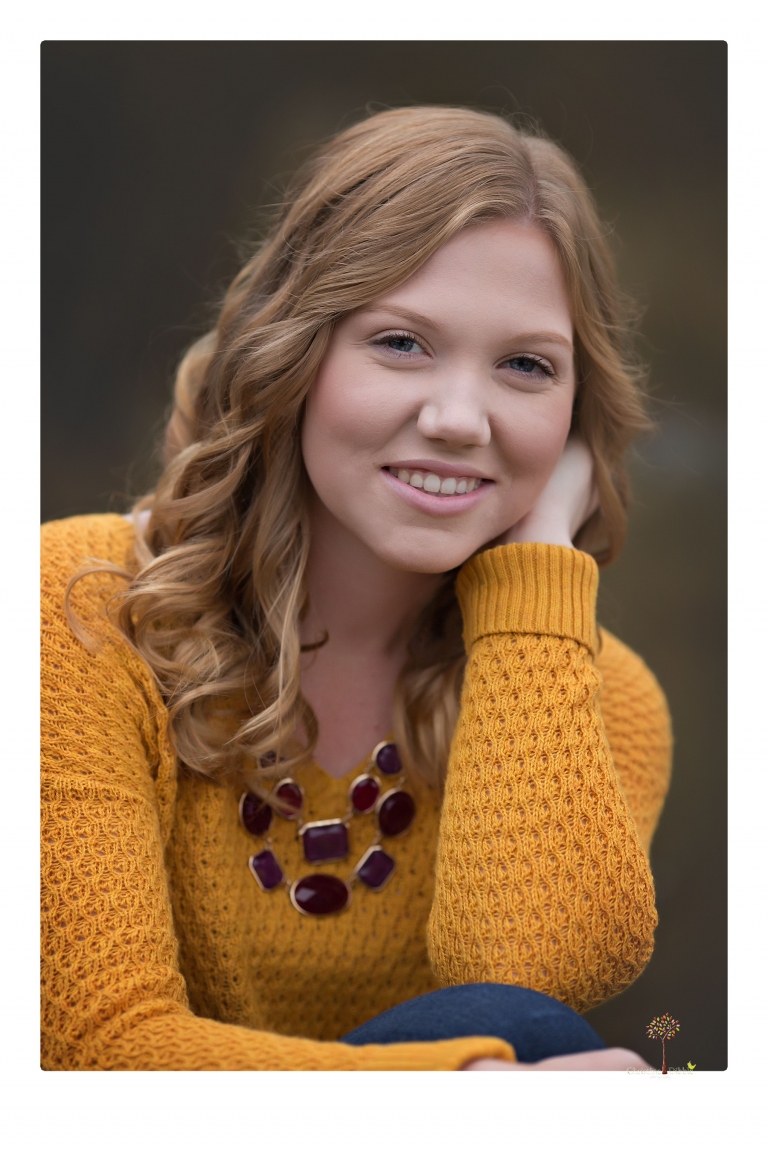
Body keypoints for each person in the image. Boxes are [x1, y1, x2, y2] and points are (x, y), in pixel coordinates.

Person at [41, 106, 672, 1071]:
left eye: (526, 367)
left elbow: (520, 982)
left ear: (579, 413)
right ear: (294, 352)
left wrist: (541, 567)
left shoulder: (601, 700)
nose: (462, 418)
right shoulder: (80, 606)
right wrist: (472, 1094)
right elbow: (92, 1051)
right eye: (402, 343)